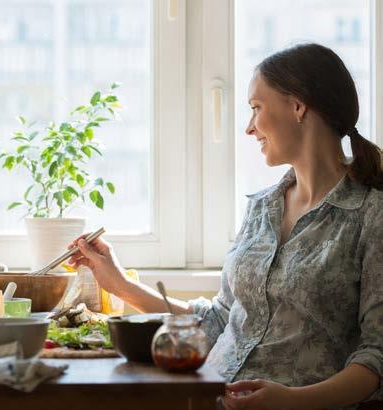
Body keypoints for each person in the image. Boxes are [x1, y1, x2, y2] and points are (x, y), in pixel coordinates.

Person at [67, 43, 382, 410]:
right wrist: (120, 284)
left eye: (256, 108)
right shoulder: (261, 208)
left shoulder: (370, 214)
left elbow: (377, 355)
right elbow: (220, 319)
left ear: (298, 107)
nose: (249, 128)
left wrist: (291, 401)